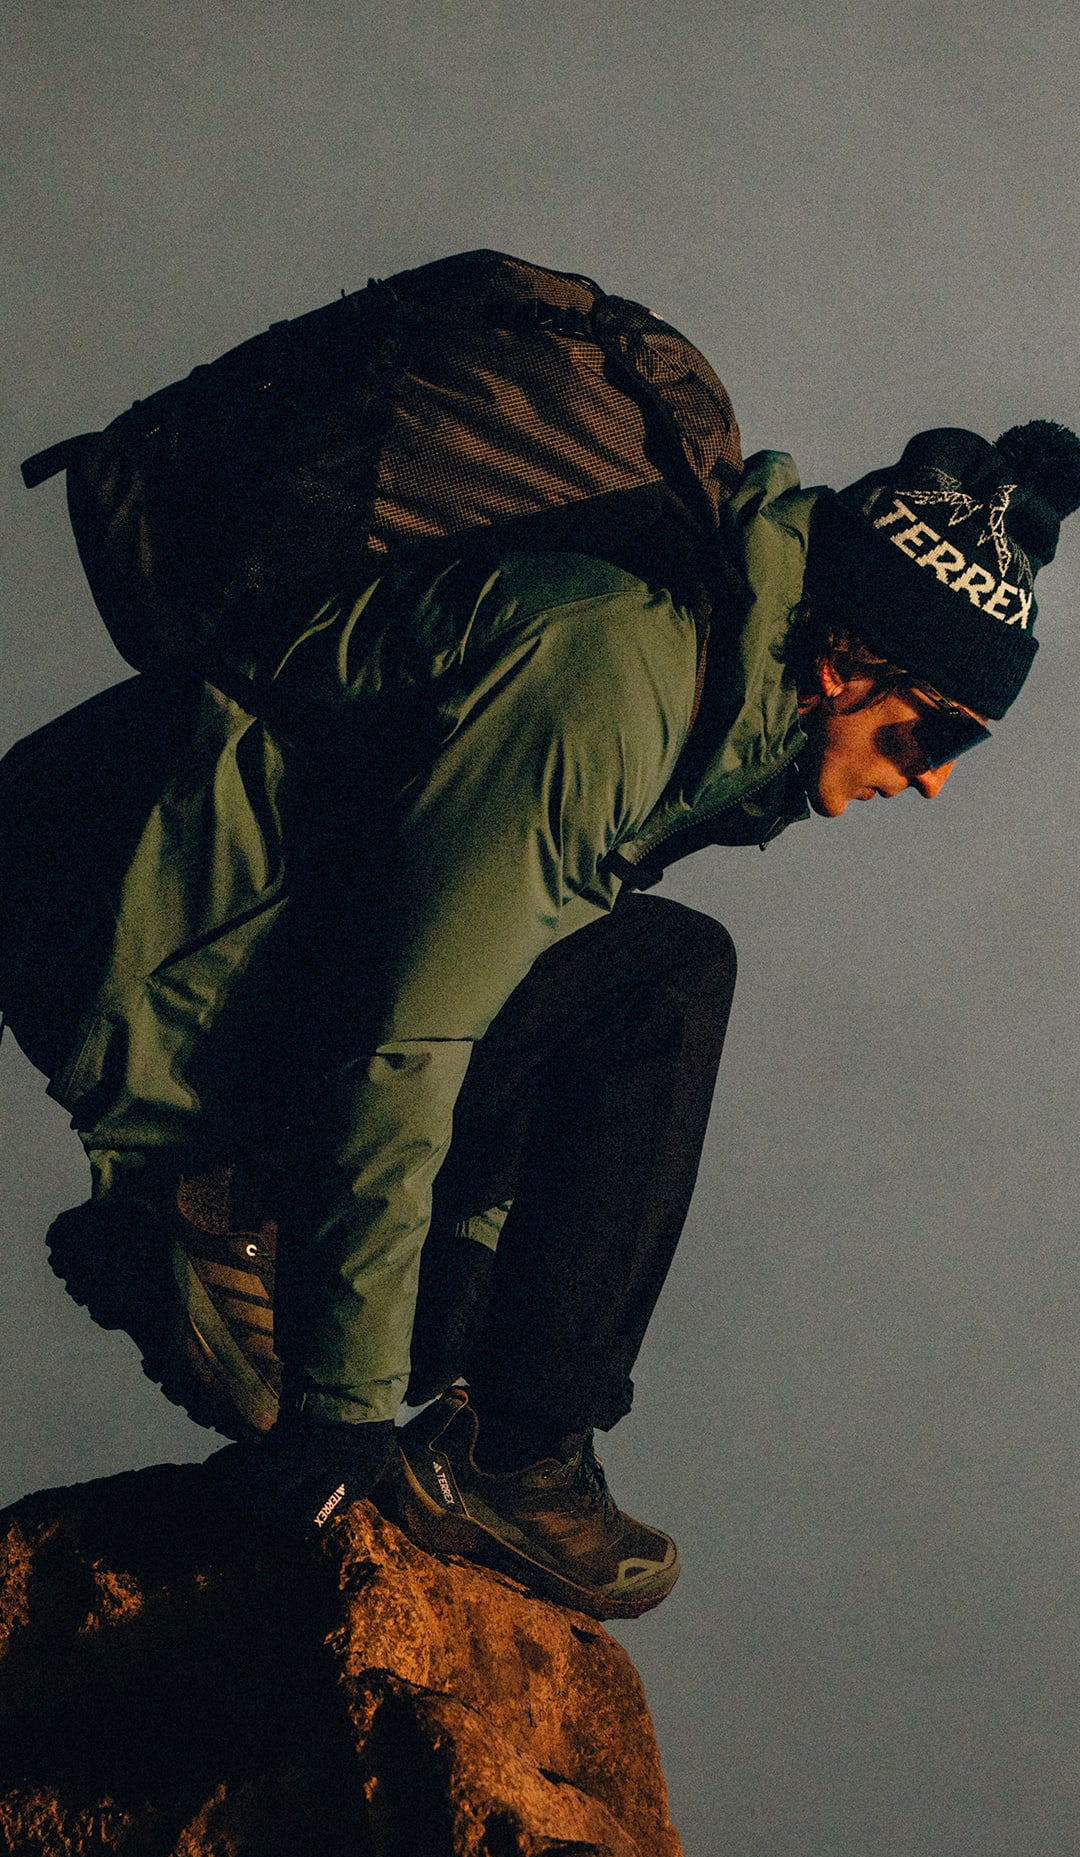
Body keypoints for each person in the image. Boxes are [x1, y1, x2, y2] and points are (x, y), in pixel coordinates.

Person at [39, 416, 1080, 1620]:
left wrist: (464, 1276)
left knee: (622, 1011)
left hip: (248, 959)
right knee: (670, 980)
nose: (936, 777)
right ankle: (253, 1231)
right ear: (847, 665)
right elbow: (407, 1035)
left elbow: (523, 974)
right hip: (155, 944)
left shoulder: (723, 722)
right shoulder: (611, 680)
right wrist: (343, 1411)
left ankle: (371, 1329)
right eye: (938, 730)